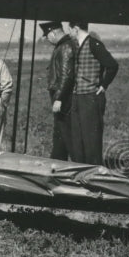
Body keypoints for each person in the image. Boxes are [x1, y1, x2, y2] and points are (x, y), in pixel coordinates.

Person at [68, 21, 119, 166]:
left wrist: (103, 85)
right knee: (78, 138)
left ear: (76, 29)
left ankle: (93, 172)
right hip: (78, 96)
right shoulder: (78, 45)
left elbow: (112, 65)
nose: (69, 33)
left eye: (70, 30)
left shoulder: (94, 44)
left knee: (91, 138)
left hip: (90, 97)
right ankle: (80, 170)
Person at [41, 21, 75, 161]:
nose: (47, 39)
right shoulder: (62, 46)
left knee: (65, 131)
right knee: (60, 131)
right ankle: (57, 160)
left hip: (63, 97)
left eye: (47, 35)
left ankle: (71, 162)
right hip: (60, 95)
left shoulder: (65, 47)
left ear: (53, 32)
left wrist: (59, 98)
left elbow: (66, 75)